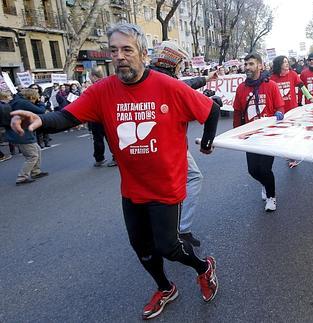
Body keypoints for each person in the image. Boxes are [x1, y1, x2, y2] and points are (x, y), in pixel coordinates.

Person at [9, 23, 219, 320]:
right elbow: (66, 116)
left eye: (127, 49)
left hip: (167, 187)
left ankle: (203, 267)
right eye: (114, 50)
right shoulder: (103, 91)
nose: (119, 56)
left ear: (143, 54)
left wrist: (207, 144)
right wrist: (41, 119)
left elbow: (210, 111)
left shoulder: (168, 87)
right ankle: (165, 287)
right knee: (142, 248)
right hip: (132, 189)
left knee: (169, 247)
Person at [148, 40, 220, 246]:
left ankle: (160, 227)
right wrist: (206, 144)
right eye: (180, 64)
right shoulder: (167, 84)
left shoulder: (148, 77)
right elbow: (212, 110)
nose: (181, 69)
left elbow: (184, 85)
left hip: (145, 146)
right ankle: (181, 230)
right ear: (171, 63)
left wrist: (205, 78)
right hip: (170, 146)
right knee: (194, 178)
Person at [232, 52, 284, 212]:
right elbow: (237, 112)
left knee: (265, 169)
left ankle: (271, 197)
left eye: (251, 64)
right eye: (246, 64)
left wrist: (279, 114)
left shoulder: (271, 85)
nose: (247, 67)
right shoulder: (241, 89)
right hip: (250, 136)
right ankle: (265, 184)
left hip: (268, 135)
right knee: (253, 170)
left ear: (260, 66)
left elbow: (280, 106)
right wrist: (235, 133)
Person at [6, 88, 49, 184]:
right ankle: (22, 177)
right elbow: (40, 110)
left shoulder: (17, 101)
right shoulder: (23, 103)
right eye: (35, 98)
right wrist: (41, 102)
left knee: (37, 149)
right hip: (22, 133)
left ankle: (36, 172)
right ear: (31, 97)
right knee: (32, 156)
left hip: (23, 132)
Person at [87, 66, 116, 167]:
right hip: (109, 116)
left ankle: (99, 158)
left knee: (98, 139)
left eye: (90, 76)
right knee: (111, 138)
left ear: (93, 76)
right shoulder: (110, 85)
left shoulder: (94, 87)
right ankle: (115, 157)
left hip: (98, 117)